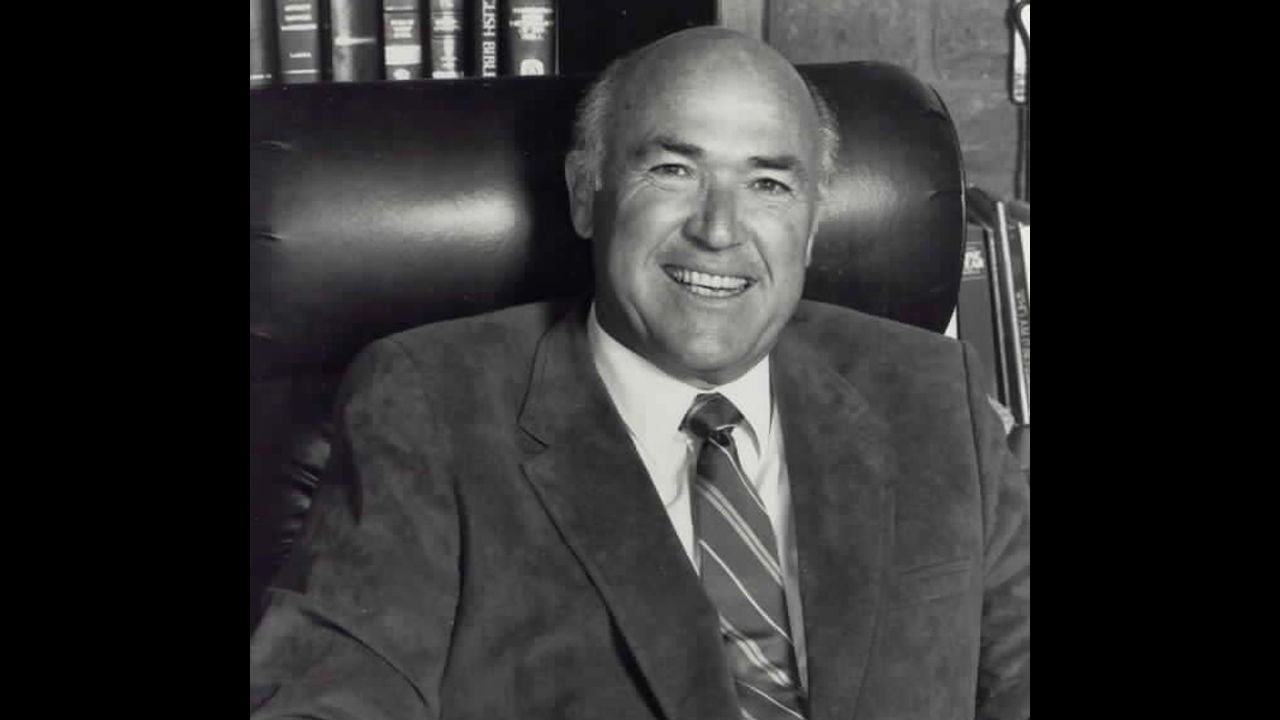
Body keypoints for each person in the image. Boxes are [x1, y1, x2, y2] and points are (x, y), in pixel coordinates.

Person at [250, 26, 1030, 720]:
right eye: (673, 169)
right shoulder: (429, 406)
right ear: (584, 194)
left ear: (813, 224)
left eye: (768, 183)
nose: (718, 229)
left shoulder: (931, 393)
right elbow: (331, 689)